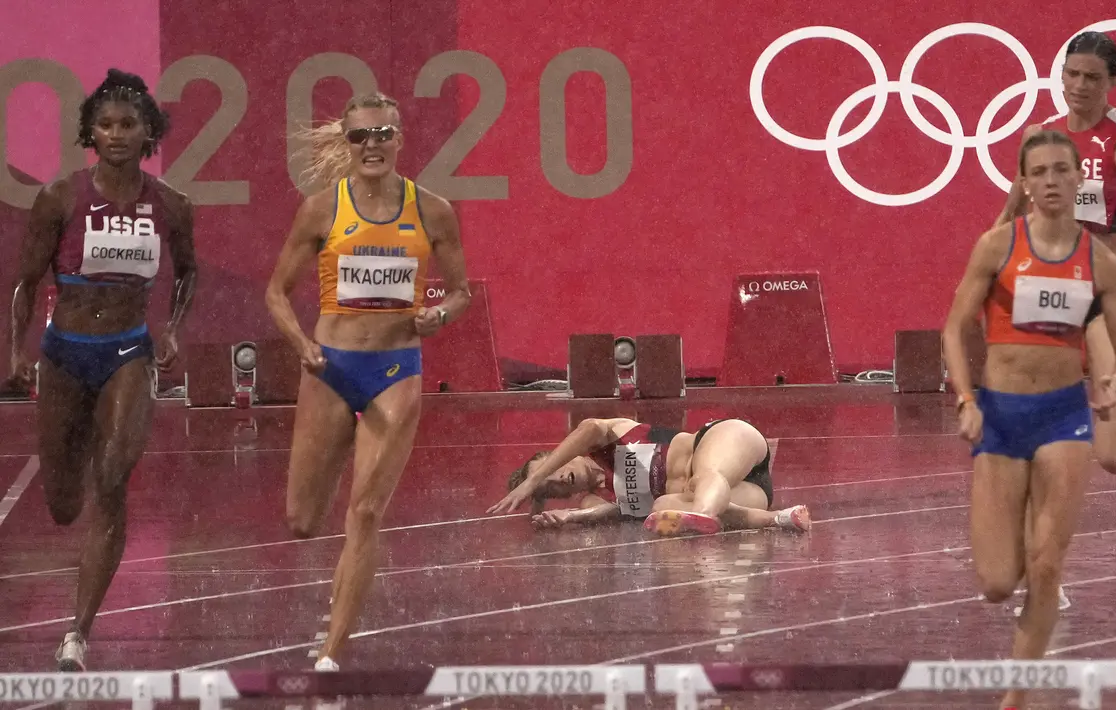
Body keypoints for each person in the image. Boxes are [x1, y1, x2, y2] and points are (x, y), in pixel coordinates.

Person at [265, 92, 470, 671]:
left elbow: (461, 293)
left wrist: (440, 315)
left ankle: (331, 652)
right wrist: (302, 345)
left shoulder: (432, 211)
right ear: (347, 143)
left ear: (400, 139)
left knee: (367, 512)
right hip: (330, 368)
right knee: (303, 522)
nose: (372, 145)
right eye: (360, 136)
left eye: (382, 134)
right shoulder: (320, 210)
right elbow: (276, 291)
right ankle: (335, 608)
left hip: (395, 370)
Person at [5, 68, 197, 671]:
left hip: (128, 353)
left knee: (111, 483)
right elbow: (26, 282)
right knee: (64, 503)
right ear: (90, 131)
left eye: (128, 125)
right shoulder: (60, 196)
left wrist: (172, 328)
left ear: (148, 134)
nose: (116, 134)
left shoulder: (170, 204)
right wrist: (17, 349)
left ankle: (77, 634)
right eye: (106, 124)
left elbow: (189, 272)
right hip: (64, 355)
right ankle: (83, 441)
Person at [945, 129, 1116, 710]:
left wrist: (1111, 381)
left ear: (1081, 178)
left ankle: (1017, 695)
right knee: (998, 582)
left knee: (1048, 564)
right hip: (1002, 418)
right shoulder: (998, 247)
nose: (1053, 180)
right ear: (1025, 184)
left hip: (1064, 418)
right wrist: (966, 400)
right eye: (1041, 172)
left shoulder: (1099, 262)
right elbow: (954, 328)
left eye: (1062, 170)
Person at [994, 31, 1116, 476]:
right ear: (1060, 75)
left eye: (1092, 77)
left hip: (1113, 287)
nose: (1080, 86)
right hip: (1053, 282)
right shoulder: (1039, 136)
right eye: (1072, 74)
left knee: (1113, 458)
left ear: (1112, 83)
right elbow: (1010, 212)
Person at [487, 417, 811, 534]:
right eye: (551, 486)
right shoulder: (595, 498)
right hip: (749, 491)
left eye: (552, 470)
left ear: (557, 455)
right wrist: (573, 517)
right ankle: (780, 519)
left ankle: (702, 515)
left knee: (704, 476)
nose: (559, 478)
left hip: (724, 442)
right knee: (661, 508)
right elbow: (616, 513)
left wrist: (532, 481)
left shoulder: (605, 439)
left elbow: (588, 427)